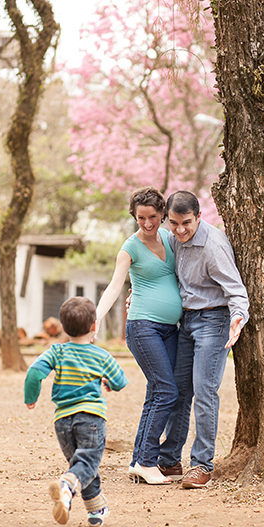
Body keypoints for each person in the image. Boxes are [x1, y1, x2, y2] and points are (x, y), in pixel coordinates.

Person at [160, 191, 249, 489]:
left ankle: (201, 465)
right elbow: (163, 277)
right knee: (178, 390)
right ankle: (170, 458)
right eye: (173, 223)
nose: (180, 229)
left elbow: (235, 290)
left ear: (199, 217)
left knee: (204, 390)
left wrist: (238, 318)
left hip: (215, 320)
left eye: (186, 223)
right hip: (185, 321)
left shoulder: (213, 245)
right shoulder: (172, 239)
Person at [93, 188, 181, 485]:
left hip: (171, 329)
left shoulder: (171, 238)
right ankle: (146, 461)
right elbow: (116, 285)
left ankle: (138, 461)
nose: (147, 223)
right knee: (167, 391)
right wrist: (97, 316)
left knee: (158, 392)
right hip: (143, 327)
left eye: (153, 217)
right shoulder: (129, 248)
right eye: (140, 218)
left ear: (163, 214)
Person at [24, 297, 128, 527]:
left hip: (62, 422)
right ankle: (66, 485)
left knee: (81, 464)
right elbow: (120, 381)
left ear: (62, 327)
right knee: (87, 463)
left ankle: (96, 510)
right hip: (91, 418)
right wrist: (109, 383)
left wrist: (31, 397)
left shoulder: (57, 351)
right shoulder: (100, 356)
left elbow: (34, 372)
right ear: (94, 326)